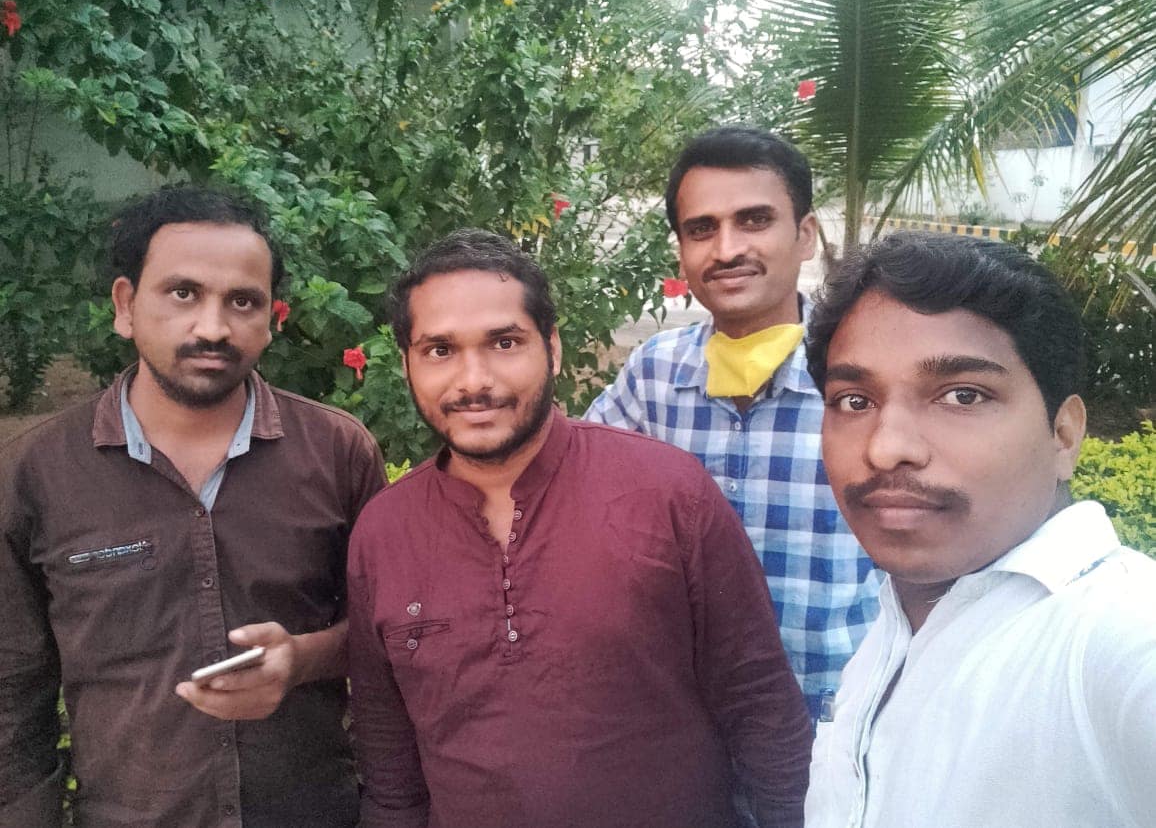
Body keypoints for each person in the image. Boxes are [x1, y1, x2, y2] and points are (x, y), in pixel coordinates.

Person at [347, 229, 812, 828]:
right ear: (407, 363)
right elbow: (391, 771)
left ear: (553, 349)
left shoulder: (667, 493)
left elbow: (761, 705)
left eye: (504, 343)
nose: (473, 380)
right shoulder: (384, 532)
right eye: (440, 350)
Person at [0, 186, 385, 828]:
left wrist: (301, 659)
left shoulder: (337, 453)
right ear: (125, 306)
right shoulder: (35, 474)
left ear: (273, 318)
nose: (212, 328)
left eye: (243, 301)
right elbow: (12, 691)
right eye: (183, 293)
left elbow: (390, 635)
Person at [803, 232, 1156, 827]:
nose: (886, 448)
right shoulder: (898, 624)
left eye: (963, 395)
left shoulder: (1115, 634)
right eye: (854, 401)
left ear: (1064, 434)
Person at [586, 126, 879, 721]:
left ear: (804, 235)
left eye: (754, 221)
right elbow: (570, 487)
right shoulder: (655, 374)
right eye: (702, 229)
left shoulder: (867, 377)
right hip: (686, 722)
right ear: (681, 252)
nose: (726, 250)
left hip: (837, 721)